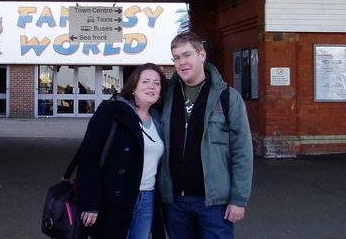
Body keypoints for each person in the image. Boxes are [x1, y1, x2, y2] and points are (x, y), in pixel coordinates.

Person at [158, 32, 253, 239]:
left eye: (187, 55)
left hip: (213, 204)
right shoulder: (165, 96)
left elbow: (242, 152)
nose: (181, 62)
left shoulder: (228, 98)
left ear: (202, 55)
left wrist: (238, 199)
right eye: (176, 58)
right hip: (174, 202)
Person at [76, 63, 167, 239]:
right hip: (113, 199)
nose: (151, 86)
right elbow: (88, 157)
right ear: (133, 86)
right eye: (145, 81)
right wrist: (91, 202)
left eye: (157, 83)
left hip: (147, 199)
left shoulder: (159, 119)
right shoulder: (111, 111)